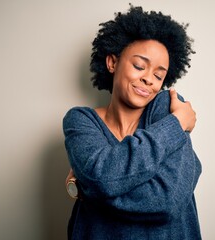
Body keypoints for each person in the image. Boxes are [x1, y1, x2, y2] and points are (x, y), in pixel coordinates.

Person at [63, 5, 202, 239]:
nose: (148, 78)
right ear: (112, 63)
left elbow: (167, 200)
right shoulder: (81, 121)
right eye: (139, 66)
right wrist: (177, 125)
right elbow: (102, 178)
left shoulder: (167, 107)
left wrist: (90, 187)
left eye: (159, 75)